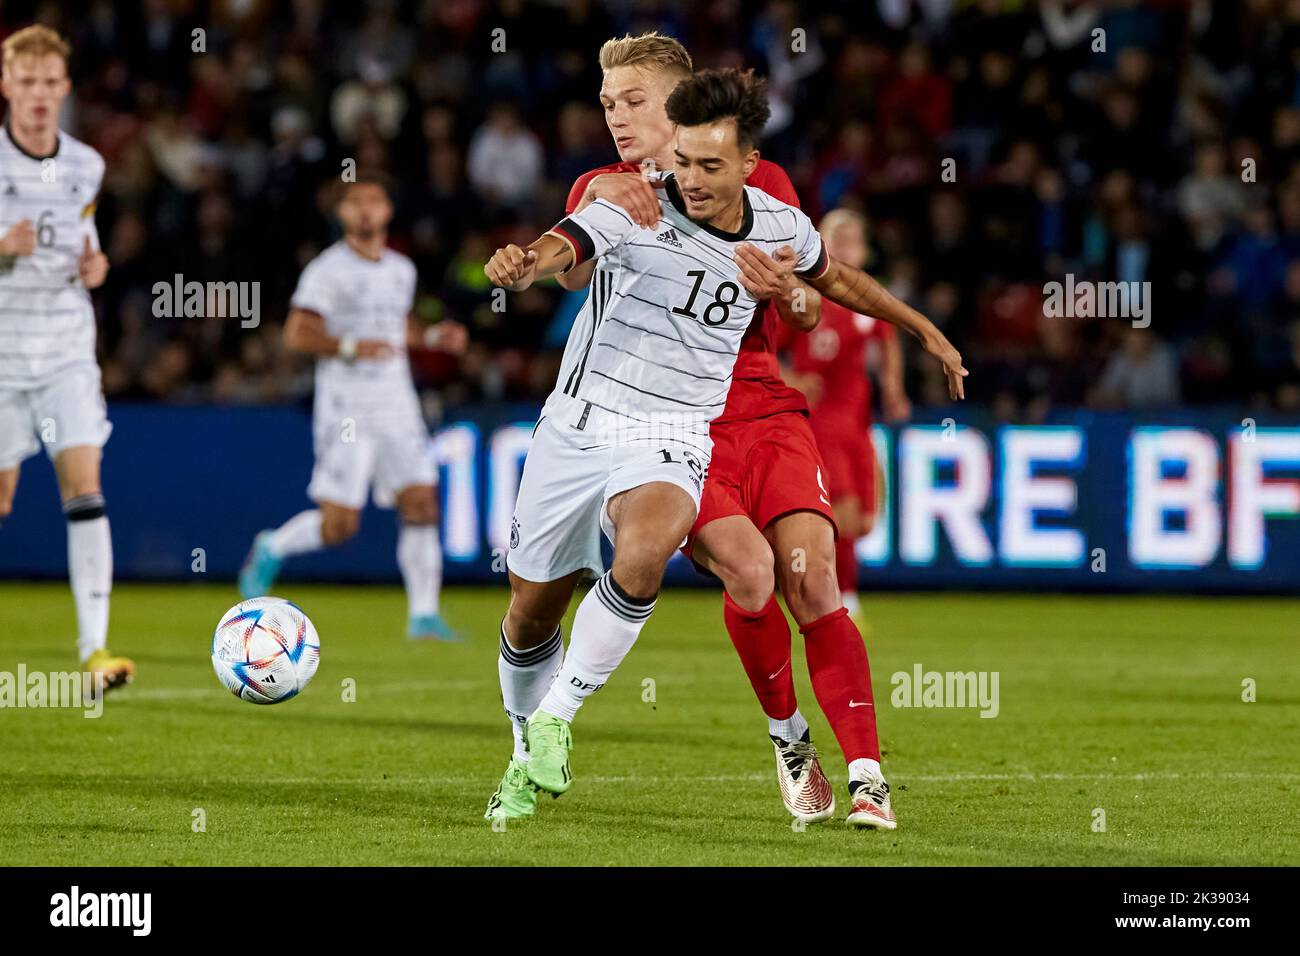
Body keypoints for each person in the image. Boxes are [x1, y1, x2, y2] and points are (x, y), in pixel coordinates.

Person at [237, 175, 467, 641]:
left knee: (422, 502)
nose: (365, 210)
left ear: (387, 212)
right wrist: (348, 346)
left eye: (374, 202)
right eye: (355, 203)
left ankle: (423, 615)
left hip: (396, 402)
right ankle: (273, 545)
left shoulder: (400, 268)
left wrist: (432, 336)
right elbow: (296, 333)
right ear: (341, 214)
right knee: (340, 525)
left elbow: (394, 326)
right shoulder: (327, 270)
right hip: (347, 408)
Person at [0, 26, 131, 695]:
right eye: (27, 82)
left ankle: (96, 652)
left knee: (84, 488)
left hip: (64, 353)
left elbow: (86, 238)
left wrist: (96, 263)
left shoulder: (85, 164)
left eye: (50, 82)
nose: (40, 95)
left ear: (65, 88)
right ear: (6, 87)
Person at [777, 209, 912, 615]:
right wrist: (789, 378)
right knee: (842, 512)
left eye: (854, 238)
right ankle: (839, 597)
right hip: (820, 422)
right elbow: (762, 346)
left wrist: (893, 389)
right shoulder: (805, 297)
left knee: (865, 520)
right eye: (838, 237)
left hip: (858, 422)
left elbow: (888, 338)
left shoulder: (868, 296)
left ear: (866, 249)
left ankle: (811, 581)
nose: (846, 245)